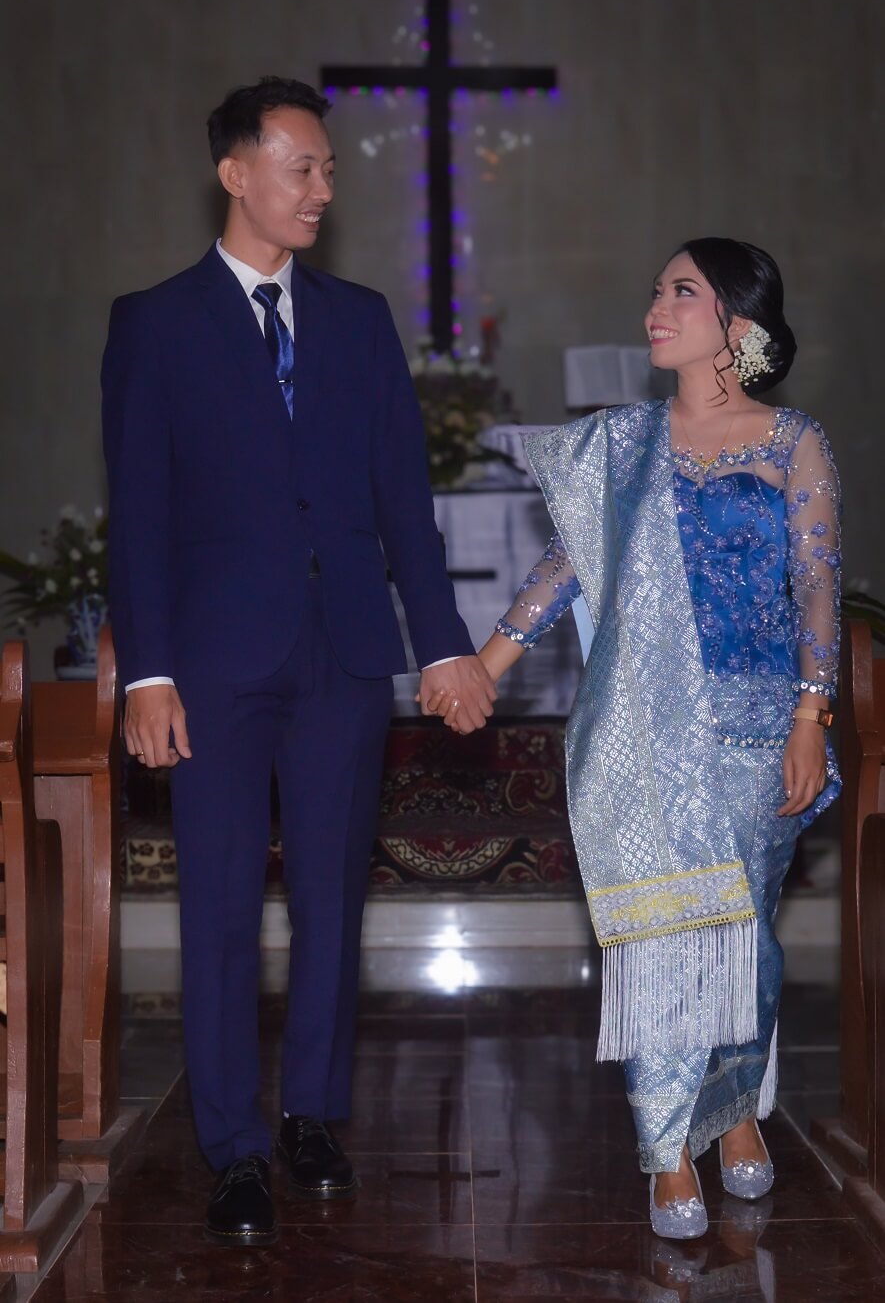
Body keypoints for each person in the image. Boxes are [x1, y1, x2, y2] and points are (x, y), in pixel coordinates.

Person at [101, 75, 496, 1248]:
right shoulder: (155, 322)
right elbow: (139, 516)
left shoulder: (360, 320)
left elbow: (404, 505)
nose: (323, 188)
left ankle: (312, 1116)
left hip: (345, 656)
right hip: (212, 665)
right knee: (221, 906)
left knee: (331, 898)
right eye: (302, 167)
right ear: (236, 173)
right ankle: (232, 1147)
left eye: (327, 170)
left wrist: (444, 644)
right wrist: (147, 673)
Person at [430, 237, 841, 1239]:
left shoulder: (792, 441)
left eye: (682, 293)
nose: (656, 307)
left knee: (743, 940)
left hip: (757, 729)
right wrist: (486, 664)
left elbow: (817, 587)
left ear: (738, 325)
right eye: (656, 290)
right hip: (644, 730)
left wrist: (810, 716)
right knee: (660, 938)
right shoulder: (620, 444)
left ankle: (734, 1107)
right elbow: (562, 568)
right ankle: (666, 1151)